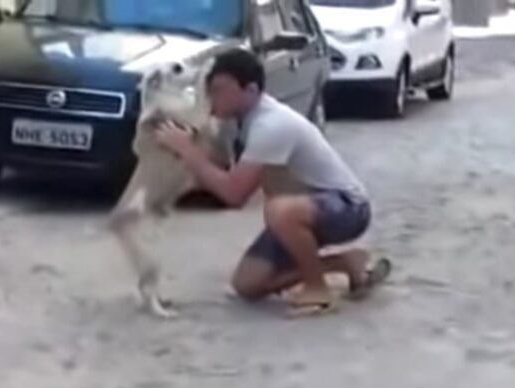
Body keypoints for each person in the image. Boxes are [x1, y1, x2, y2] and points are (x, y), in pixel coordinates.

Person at [154, 48, 390, 316]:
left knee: (279, 210)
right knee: (248, 284)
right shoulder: (239, 122)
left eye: (219, 89)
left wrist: (188, 152)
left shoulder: (271, 125)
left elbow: (234, 194)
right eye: (210, 89)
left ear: (251, 90)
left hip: (348, 207)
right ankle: (346, 263)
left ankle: (317, 289)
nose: (211, 97)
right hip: (301, 209)